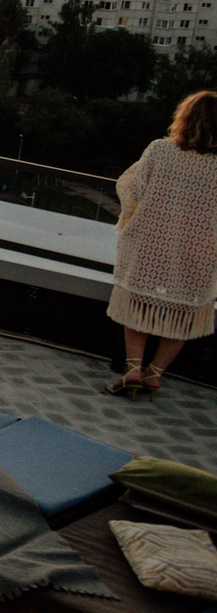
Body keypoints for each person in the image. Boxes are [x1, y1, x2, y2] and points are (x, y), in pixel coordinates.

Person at [104, 90, 217, 398]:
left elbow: (131, 187)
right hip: (200, 251)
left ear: (185, 117)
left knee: (136, 306)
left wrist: (132, 218)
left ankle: (133, 370)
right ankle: (154, 374)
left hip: (150, 243)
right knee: (184, 314)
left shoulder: (160, 150)